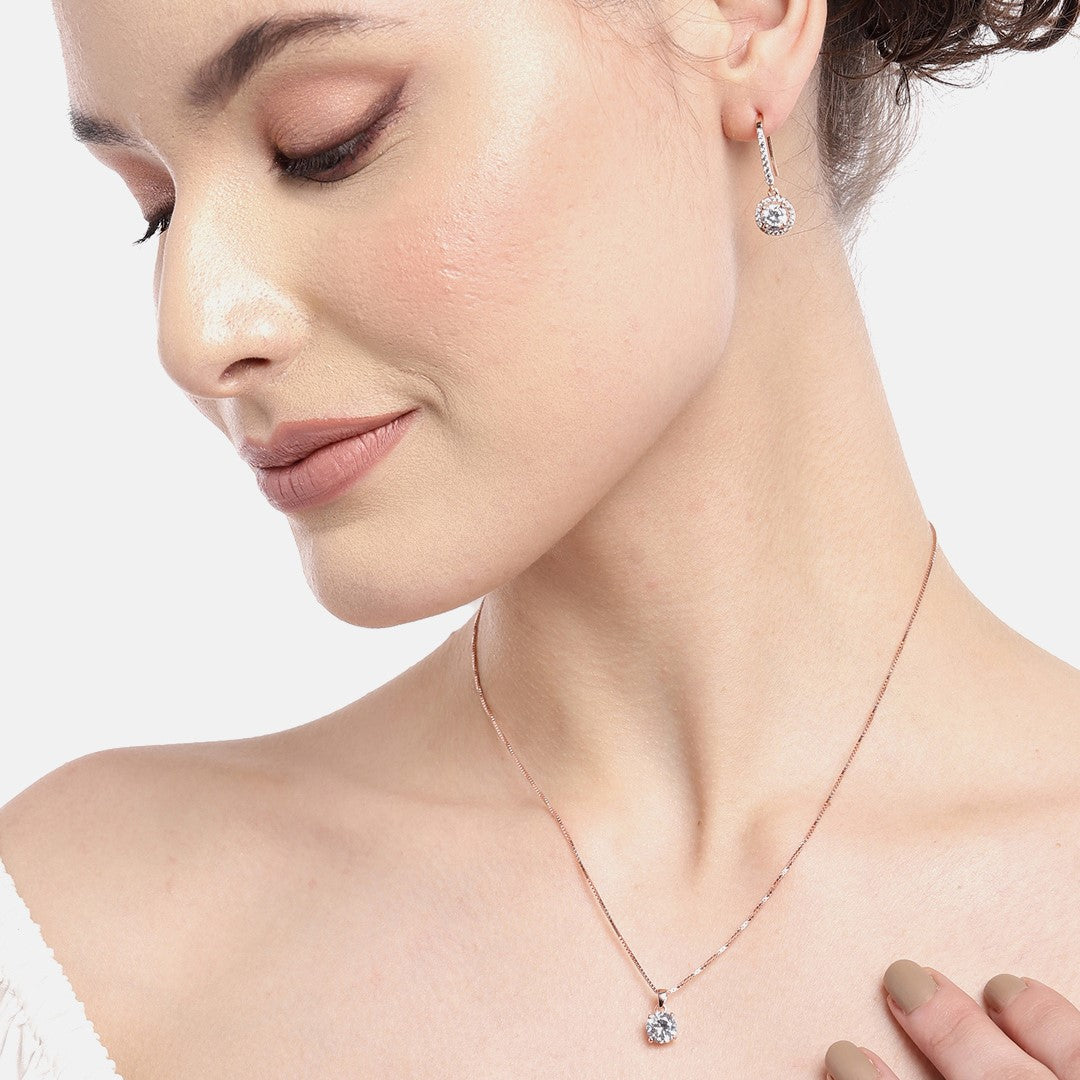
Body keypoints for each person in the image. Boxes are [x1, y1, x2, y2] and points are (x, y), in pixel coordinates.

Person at [2, 0, 1078, 1077]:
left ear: (741, 21)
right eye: (156, 209)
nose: (193, 333)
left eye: (325, 142)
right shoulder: (69, 950)